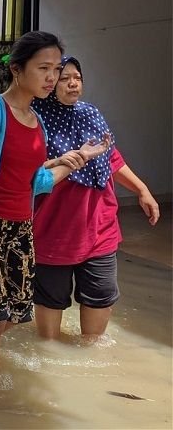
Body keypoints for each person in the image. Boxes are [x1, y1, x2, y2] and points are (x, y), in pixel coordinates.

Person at [0, 31, 111, 393]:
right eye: (43, 68)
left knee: (16, 313)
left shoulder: (36, 120)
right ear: (17, 70)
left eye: (56, 69)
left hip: (22, 230)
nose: (52, 77)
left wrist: (74, 160)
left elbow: (37, 182)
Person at [31, 56, 160, 341]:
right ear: (50, 83)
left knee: (100, 300)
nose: (73, 83)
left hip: (99, 228)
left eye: (77, 77)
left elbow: (111, 157)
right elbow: (26, 170)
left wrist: (142, 190)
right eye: (64, 78)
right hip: (53, 230)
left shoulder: (91, 113)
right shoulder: (34, 118)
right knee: (49, 326)